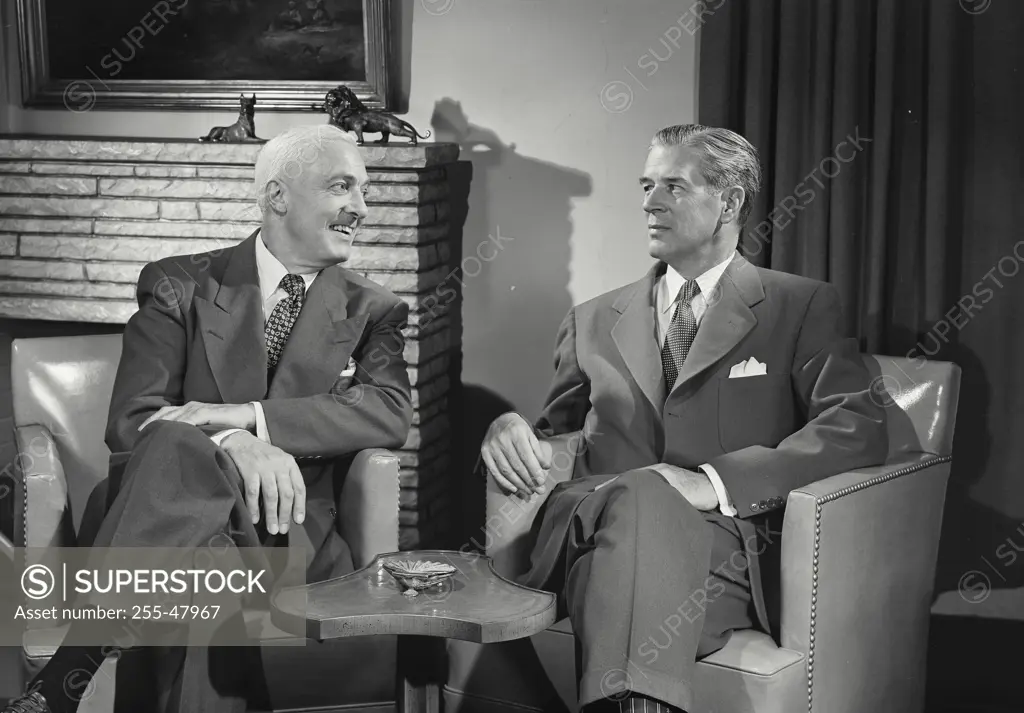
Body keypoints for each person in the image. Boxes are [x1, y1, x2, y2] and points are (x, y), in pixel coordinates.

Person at [480, 124, 889, 713]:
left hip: (716, 553)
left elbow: (856, 425)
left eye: (673, 185)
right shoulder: (593, 318)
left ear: (729, 200)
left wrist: (714, 482)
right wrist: (506, 429)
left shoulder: (798, 306)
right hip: (591, 522)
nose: (649, 202)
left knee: (622, 566)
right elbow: (555, 436)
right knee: (642, 493)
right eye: (647, 185)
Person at [5, 125, 413, 713]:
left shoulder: (372, 309)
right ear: (278, 197)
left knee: (197, 561)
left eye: (364, 191)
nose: (361, 208)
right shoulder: (179, 284)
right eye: (342, 187)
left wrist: (251, 419)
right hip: (156, 514)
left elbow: (390, 410)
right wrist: (233, 445)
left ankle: (66, 676)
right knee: (196, 525)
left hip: (285, 528)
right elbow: (133, 421)